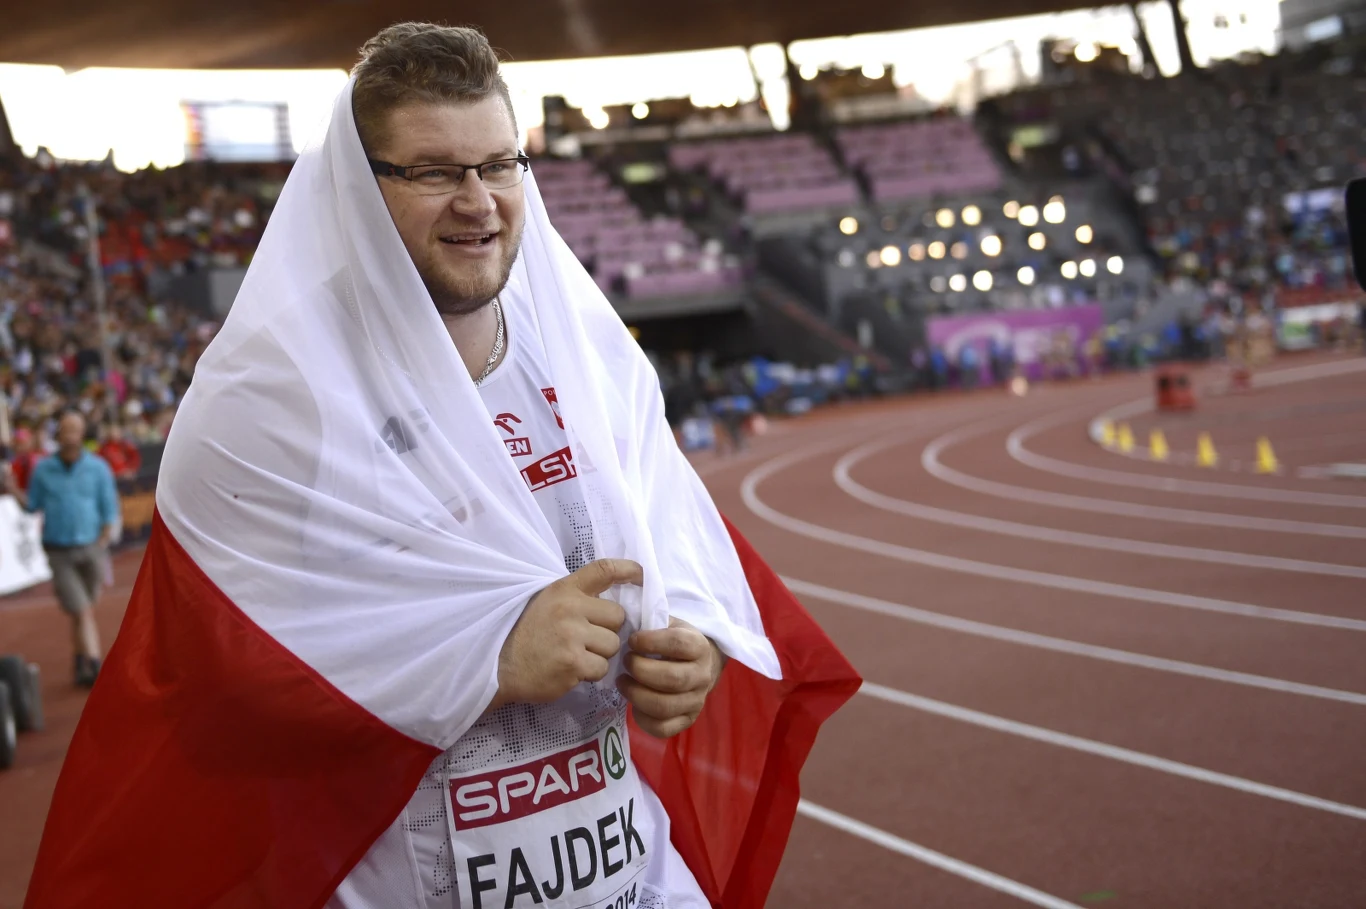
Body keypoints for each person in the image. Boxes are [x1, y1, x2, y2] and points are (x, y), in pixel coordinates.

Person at [26, 23, 858, 909]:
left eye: (499, 164)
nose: (478, 200)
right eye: (433, 172)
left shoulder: (587, 353)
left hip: (629, 877)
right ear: (358, 186)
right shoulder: (265, 400)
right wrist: (487, 660)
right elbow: (219, 686)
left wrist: (691, 647)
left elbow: (677, 541)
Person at [4, 411, 119, 687]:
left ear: (82, 434)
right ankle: (94, 664)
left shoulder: (98, 468)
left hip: (91, 547)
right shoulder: (43, 469)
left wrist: (104, 539)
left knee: (85, 609)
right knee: (82, 610)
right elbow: (32, 506)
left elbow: (109, 507)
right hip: (59, 551)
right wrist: (12, 488)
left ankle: (79, 659)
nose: (69, 436)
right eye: (65, 430)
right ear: (58, 434)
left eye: (74, 430)